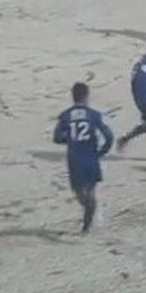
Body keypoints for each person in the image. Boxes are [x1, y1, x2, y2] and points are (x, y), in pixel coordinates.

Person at [52, 82, 114, 234]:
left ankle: (88, 216)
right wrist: (102, 151)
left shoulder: (66, 115)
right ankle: (87, 225)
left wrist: (71, 139)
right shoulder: (94, 114)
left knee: (80, 193)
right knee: (91, 190)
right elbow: (109, 136)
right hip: (91, 157)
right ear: (86, 96)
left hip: (75, 159)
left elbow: (57, 138)